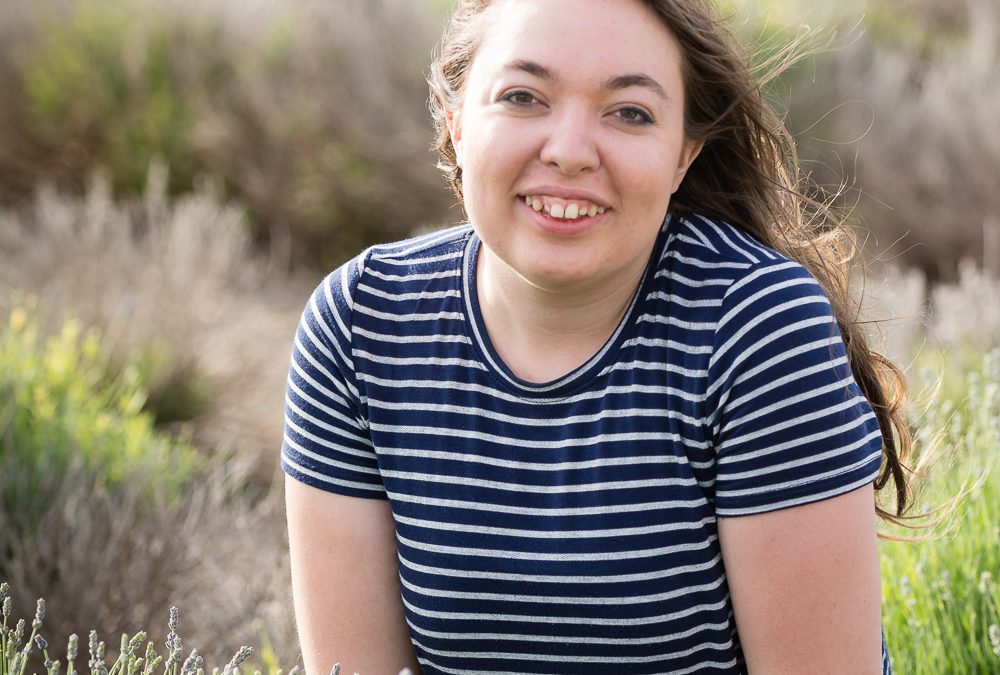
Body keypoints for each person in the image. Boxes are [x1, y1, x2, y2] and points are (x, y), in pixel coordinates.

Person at [282, 0, 912, 672]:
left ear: (682, 156)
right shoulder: (359, 325)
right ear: (457, 121)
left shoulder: (757, 331)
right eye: (523, 97)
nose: (570, 152)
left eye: (630, 112)